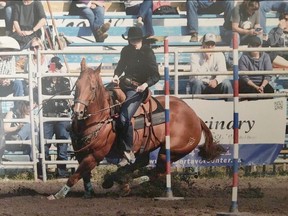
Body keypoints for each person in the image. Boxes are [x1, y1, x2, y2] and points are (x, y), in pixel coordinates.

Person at [112, 27, 160, 167]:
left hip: (138, 88)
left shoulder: (148, 52)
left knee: (124, 117)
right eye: (131, 39)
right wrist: (116, 75)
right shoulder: (126, 50)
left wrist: (145, 85)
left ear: (141, 39)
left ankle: (128, 150)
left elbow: (156, 75)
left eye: (135, 39)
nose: (133, 42)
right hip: (123, 83)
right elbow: (121, 66)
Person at [25, 37, 71, 178]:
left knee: (62, 143)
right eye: (53, 67)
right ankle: (44, 170)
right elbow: (34, 92)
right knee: (43, 144)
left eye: (57, 67)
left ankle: (61, 171)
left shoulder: (65, 80)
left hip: (61, 115)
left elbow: (67, 94)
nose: (55, 69)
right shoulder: (44, 81)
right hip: (48, 114)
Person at [221, 0, 262, 67]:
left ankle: (258, 59)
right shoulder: (237, 9)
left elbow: (257, 24)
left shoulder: (256, 10)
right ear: (246, 6)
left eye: (254, 10)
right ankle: (232, 62)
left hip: (247, 34)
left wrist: (258, 30)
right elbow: (234, 28)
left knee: (259, 37)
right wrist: (248, 32)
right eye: (251, 10)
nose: (252, 12)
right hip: (231, 33)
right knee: (236, 36)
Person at [0, 36, 26, 113]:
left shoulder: (11, 57)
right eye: (8, 49)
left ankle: (18, 110)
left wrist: (9, 80)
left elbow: (12, 73)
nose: (10, 51)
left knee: (18, 83)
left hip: (7, 84)